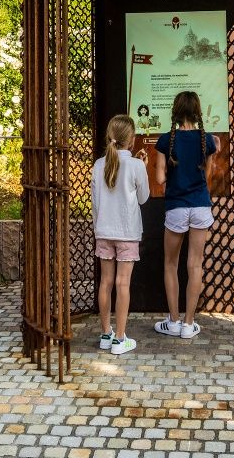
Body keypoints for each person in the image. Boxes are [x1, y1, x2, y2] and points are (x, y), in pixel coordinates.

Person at [153, 90, 220, 340]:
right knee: (195, 265)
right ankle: (189, 325)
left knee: (171, 264)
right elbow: (207, 177)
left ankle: (173, 321)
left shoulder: (165, 141)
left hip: (176, 207)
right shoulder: (208, 141)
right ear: (197, 112)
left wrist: (171, 176)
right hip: (200, 206)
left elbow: (160, 178)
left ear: (176, 111)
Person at [91, 113, 150, 355]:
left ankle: (105, 334)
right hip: (127, 232)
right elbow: (143, 198)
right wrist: (143, 167)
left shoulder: (98, 165)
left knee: (105, 282)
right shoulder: (136, 165)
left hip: (104, 230)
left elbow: (95, 203)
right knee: (122, 283)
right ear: (132, 139)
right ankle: (120, 338)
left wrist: (98, 227)